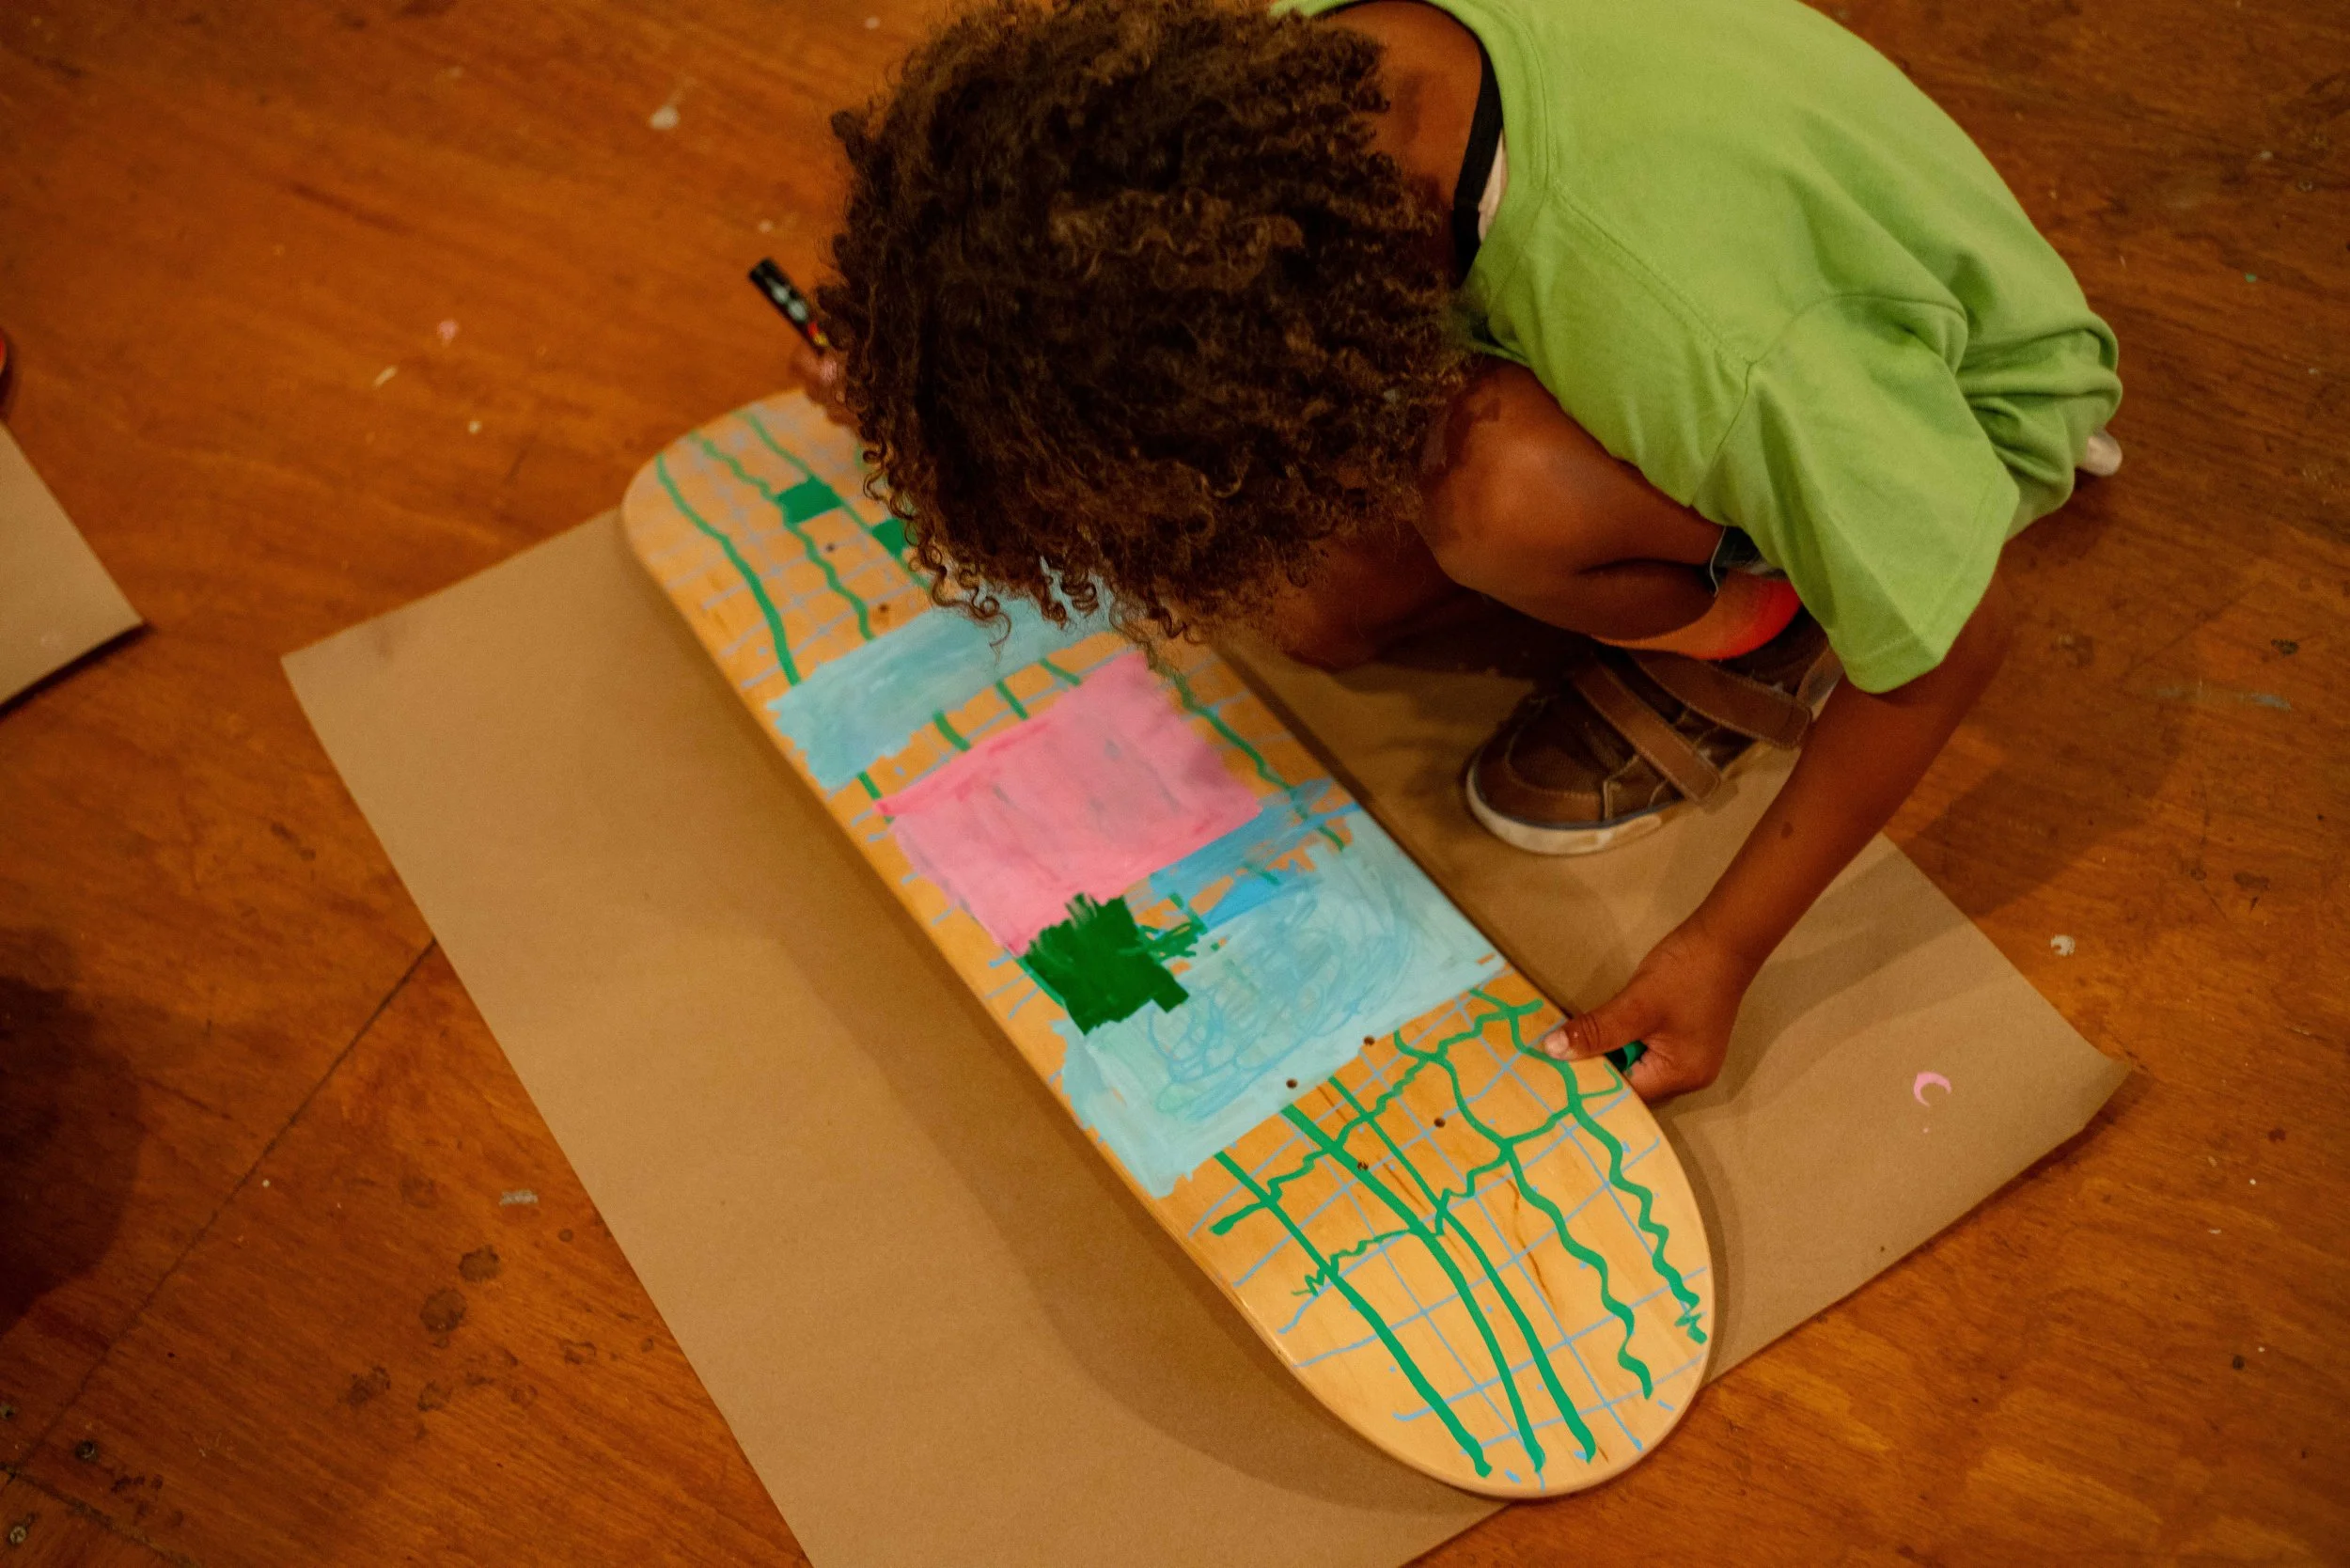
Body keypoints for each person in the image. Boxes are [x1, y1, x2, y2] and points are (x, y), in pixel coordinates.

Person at [785, 0, 2122, 1099]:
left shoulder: (1708, 346)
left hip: (1947, 405)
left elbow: (1956, 643)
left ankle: (1759, 616)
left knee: (1499, 498)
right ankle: (1666, 556)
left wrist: (1722, 947)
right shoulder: (1284, 86)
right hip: (1682, 310)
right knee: (1312, 606)